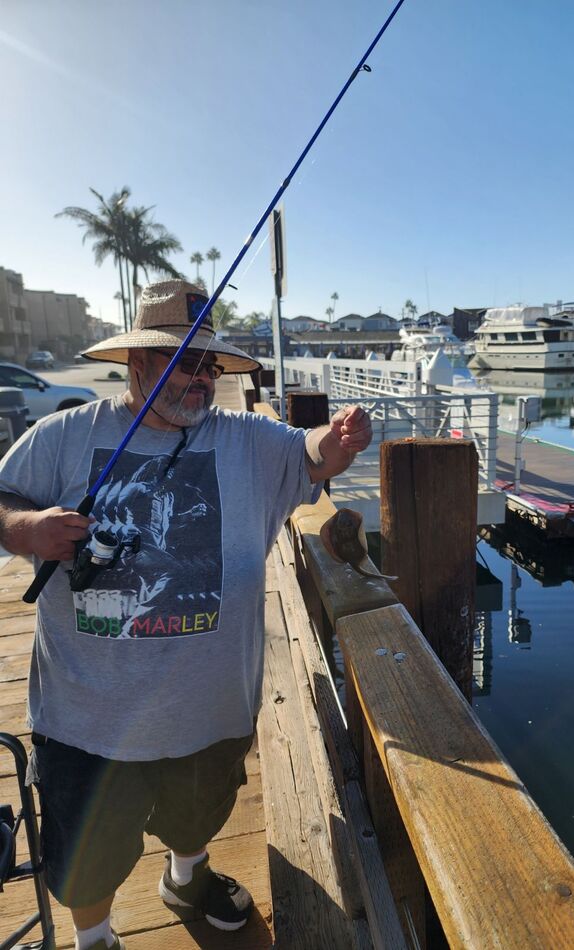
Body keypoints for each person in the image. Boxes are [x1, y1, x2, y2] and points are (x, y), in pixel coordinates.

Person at [0, 279, 373, 950]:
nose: (199, 378)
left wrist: (336, 440)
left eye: (208, 363)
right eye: (181, 362)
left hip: (211, 707)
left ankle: (187, 876)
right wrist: (26, 528)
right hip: (89, 716)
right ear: (135, 363)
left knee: (200, 811)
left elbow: (307, 453)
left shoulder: (246, 440)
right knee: (87, 854)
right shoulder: (63, 436)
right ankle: (96, 939)